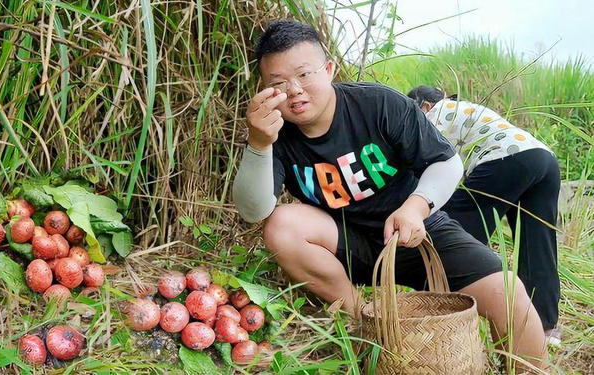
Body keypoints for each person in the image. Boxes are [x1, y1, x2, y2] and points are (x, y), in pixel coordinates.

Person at [232, 20, 547, 369]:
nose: (294, 90)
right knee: (280, 225)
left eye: (304, 75)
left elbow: (447, 164)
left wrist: (415, 208)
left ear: (329, 69)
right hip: (346, 245)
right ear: (264, 89)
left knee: (509, 295)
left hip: (414, 231)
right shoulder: (273, 131)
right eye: (278, 84)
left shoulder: (379, 105)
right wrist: (259, 143)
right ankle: (365, 320)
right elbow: (253, 209)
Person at [407, 85, 561, 344]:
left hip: (507, 160)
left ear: (424, 106)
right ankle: (544, 329)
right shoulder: (468, 110)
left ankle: (441, 321)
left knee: (451, 237)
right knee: (538, 246)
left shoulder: (432, 116)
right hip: (542, 160)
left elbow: (431, 167)